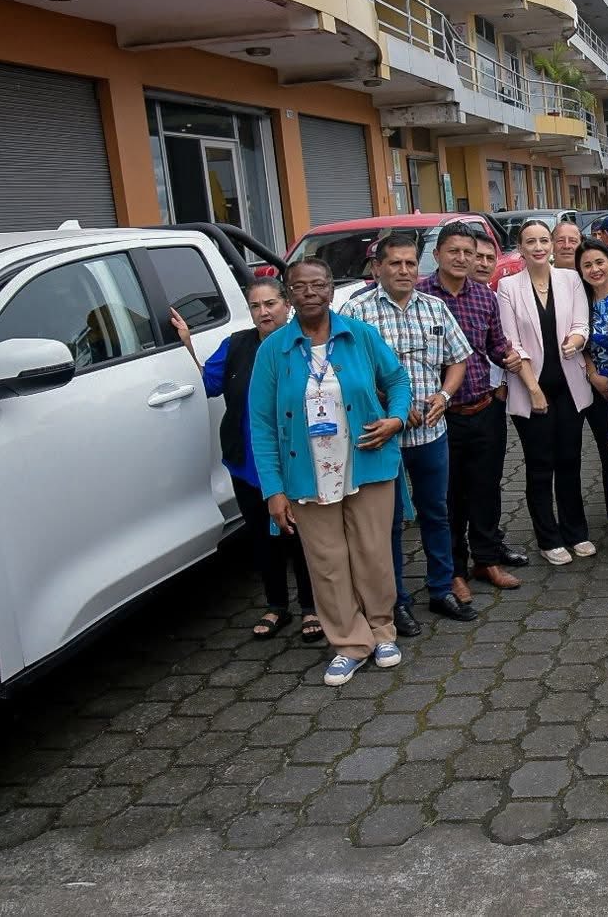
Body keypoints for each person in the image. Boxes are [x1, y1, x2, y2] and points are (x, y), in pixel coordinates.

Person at [248, 259, 410, 686]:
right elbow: (261, 424)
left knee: (373, 554)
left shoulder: (360, 335)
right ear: (288, 295)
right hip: (306, 473)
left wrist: (396, 419)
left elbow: (398, 380)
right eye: (299, 286)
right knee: (327, 561)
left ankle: (381, 630)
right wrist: (273, 490)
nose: (310, 293)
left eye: (318, 284)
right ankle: (349, 643)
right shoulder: (272, 350)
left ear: (331, 290)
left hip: (366, 463)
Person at [172, 280, 317, 642]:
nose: (263, 312)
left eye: (271, 304)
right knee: (262, 537)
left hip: (298, 461)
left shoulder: (305, 344)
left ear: (287, 305)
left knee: (302, 537)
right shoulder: (236, 345)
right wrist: (186, 343)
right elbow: (208, 384)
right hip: (248, 463)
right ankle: (277, 605)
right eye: (255, 306)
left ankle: (312, 607)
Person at [347, 234, 479, 628]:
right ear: (377, 268)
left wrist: (444, 395)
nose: (404, 271)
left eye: (410, 263)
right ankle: (395, 601)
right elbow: (349, 371)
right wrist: (396, 405)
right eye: (395, 263)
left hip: (430, 435)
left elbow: (458, 360)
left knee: (436, 513)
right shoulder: (357, 312)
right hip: (381, 436)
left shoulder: (435, 307)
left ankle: (440, 589)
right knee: (388, 522)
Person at [421, 225, 530, 588]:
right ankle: (454, 569)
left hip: (483, 409)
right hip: (440, 417)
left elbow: (495, 345)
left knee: (486, 489)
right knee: (448, 496)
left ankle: (486, 560)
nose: (462, 258)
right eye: (454, 251)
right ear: (437, 255)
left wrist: (511, 357)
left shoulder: (484, 296)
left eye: (468, 252)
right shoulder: (421, 297)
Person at [497, 219, 596, 564]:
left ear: (552, 246)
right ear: (520, 248)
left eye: (543, 240)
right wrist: (533, 389)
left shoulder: (570, 279)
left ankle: (576, 532)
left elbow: (582, 323)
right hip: (531, 388)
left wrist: (577, 339)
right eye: (531, 242)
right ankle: (548, 538)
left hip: (570, 386)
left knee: (570, 461)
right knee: (540, 465)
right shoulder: (508, 287)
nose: (538, 247)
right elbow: (511, 343)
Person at [578, 237, 608, 539]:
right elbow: (576, 342)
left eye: (599, 262)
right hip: (600, 389)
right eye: (587, 265)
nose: (595, 269)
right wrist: (593, 375)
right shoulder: (579, 302)